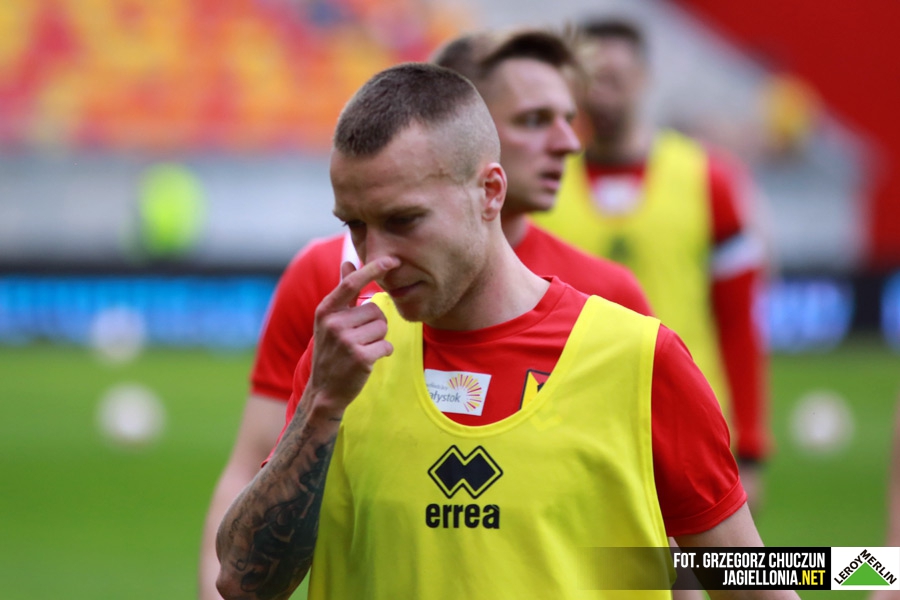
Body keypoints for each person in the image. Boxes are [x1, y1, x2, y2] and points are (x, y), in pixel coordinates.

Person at [215, 62, 797, 600]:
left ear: (491, 192)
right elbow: (242, 585)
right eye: (356, 226)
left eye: (404, 221)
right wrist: (320, 407)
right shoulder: (344, 362)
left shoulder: (642, 360)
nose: (376, 257)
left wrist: (856, 567)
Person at [197, 28, 654, 599]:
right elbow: (249, 492)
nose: (567, 142)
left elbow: (690, 544)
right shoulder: (331, 288)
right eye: (534, 120)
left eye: (568, 118)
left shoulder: (615, 311)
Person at [531, 18, 771, 507]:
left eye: (614, 79)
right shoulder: (540, 185)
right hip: (575, 420)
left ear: (643, 78)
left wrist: (750, 448)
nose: (601, 94)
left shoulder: (709, 180)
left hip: (688, 420)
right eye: (591, 80)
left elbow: (739, 320)